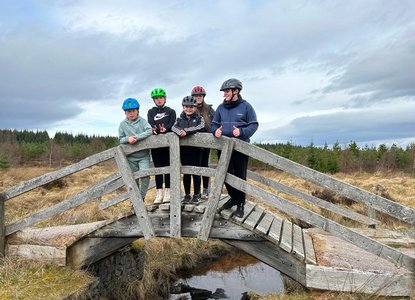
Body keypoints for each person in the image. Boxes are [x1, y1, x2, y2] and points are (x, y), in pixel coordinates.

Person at [212, 78, 259, 217]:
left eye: (227, 91)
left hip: (240, 148)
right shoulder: (220, 108)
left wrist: (242, 132)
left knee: (240, 175)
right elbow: (214, 124)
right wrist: (215, 131)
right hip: (223, 147)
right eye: (224, 91)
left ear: (236, 91)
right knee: (225, 174)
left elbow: (254, 124)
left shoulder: (246, 106)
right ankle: (233, 197)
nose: (224, 94)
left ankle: (240, 203)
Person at [172, 96, 205, 204]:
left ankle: (196, 194)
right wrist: (180, 131)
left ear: (195, 107)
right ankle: (187, 195)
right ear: (183, 107)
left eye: (191, 107)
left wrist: (186, 131)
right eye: (186, 107)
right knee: (186, 173)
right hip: (184, 151)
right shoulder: (179, 119)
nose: (189, 109)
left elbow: (200, 127)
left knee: (196, 172)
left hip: (196, 151)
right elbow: (173, 128)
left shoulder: (200, 118)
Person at [118, 98, 153, 201]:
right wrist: (127, 139)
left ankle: (141, 197)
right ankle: (136, 200)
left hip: (143, 156)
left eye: (133, 111)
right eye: (129, 111)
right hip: (130, 157)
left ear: (137, 111)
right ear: (125, 113)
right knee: (134, 179)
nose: (131, 113)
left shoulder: (142, 121)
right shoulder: (122, 124)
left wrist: (137, 137)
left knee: (145, 176)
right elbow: (120, 139)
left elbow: (149, 131)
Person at [147, 87, 176, 204]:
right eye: (156, 98)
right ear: (154, 100)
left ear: (165, 99)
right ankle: (159, 193)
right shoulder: (151, 112)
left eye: (160, 98)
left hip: (168, 145)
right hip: (156, 145)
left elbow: (172, 124)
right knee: (158, 169)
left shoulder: (171, 111)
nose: (159, 100)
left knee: (168, 168)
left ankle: (168, 192)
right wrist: (156, 130)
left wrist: (166, 128)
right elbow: (151, 124)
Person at [191, 86, 215, 200]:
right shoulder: (190, 108)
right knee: (195, 166)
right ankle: (196, 191)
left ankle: (206, 189)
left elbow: (215, 122)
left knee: (204, 165)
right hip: (194, 143)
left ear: (203, 97)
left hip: (206, 142)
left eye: (200, 95)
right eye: (196, 96)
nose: (198, 97)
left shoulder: (209, 109)